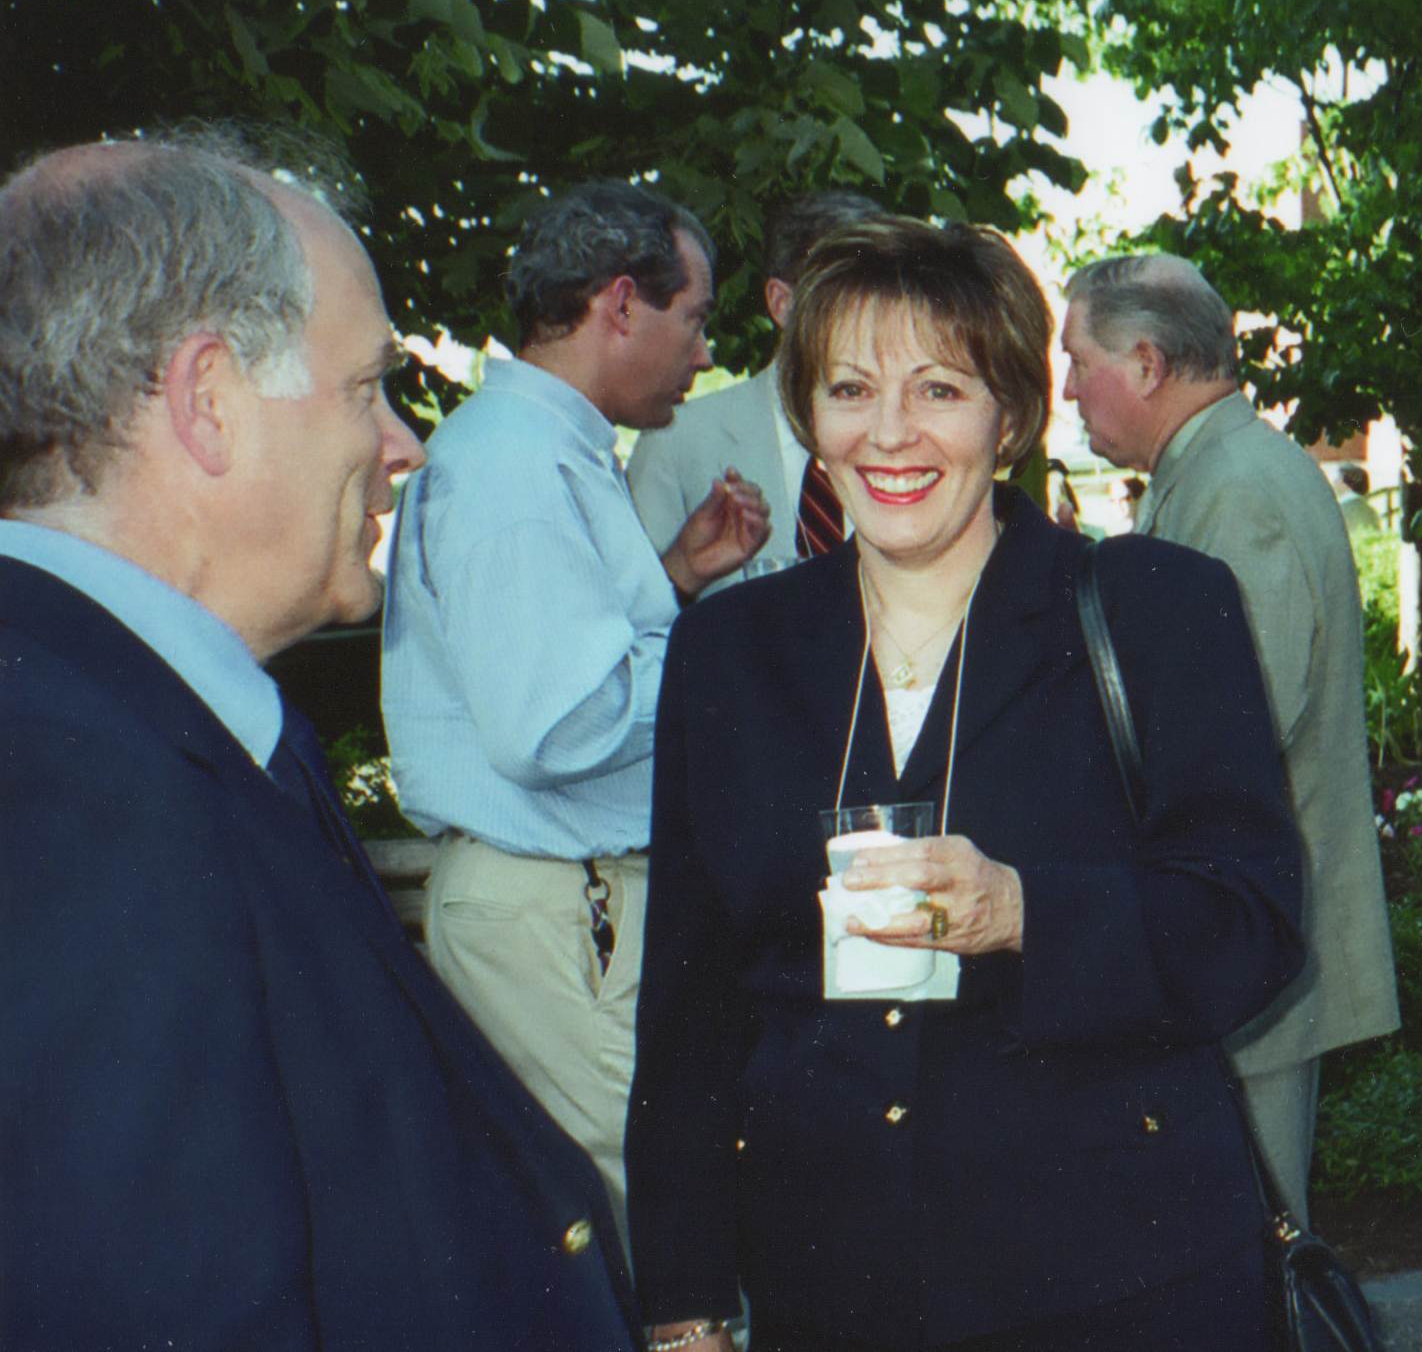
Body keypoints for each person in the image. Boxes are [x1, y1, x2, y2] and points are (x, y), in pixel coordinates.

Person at [0, 133, 638, 1348]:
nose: (401, 444)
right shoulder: (68, 791)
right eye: (365, 389)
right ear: (208, 404)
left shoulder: (159, 719)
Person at [628, 217, 1306, 1352]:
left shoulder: (1156, 610)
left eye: (939, 390)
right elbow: (690, 1008)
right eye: (849, 388)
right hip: (832, 1293)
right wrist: (683, 1306)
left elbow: (1253, 927)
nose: (889, 434)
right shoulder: (730, 653)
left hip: (1118, 1282)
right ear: (809, 416)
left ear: (1010, 415)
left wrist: (1024, 911)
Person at [381, 179, 766, 1246]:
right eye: (693, 318)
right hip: (556, 908)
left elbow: (547, 666)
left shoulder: (544, 452)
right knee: (659, 1223)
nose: (703, 351)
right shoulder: (515, 468)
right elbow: (552, 726)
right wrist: (735, 657)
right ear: (619, 306)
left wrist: (674, 581)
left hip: (568, 904)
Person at [1060, 253, 1398, 1223]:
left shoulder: (1234, 488)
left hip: (1246, 949)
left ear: (1149, 362)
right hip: (1237, 936)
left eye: (1079, 360)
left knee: (1251, 1256)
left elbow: (1232, 718)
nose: (1069, 389)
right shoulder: (1216, 468)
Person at [628, 190, 886, 590]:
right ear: (782, 303)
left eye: (884, 301)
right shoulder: (675, 444)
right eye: (842, 299)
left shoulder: (904, 441)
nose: (870, 323)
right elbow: (640, 618)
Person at [1334, 462, 1384, 538]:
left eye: (1338, 479)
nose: (1335, 482)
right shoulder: (1372, 511)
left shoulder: (1339, 511)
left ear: (1347, 485)